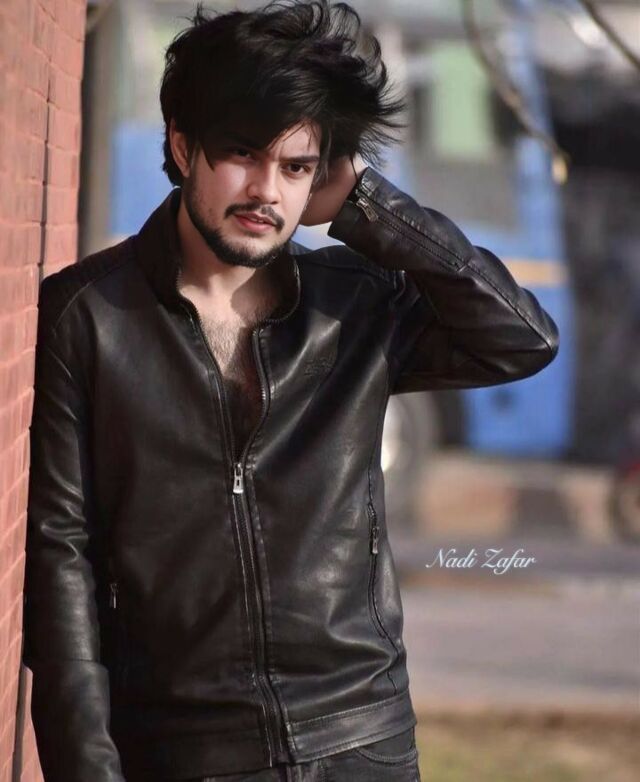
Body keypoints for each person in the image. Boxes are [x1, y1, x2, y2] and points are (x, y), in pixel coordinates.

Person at [22, 1, 559, 781]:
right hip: (186, 752)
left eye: (297, 167)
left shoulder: (356, 304)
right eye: (243, 154)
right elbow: (60, 556)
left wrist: (371, 205)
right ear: (183, 146)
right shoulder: (90, 317)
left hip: (361, 741)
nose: (267, 192)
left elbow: (524, 340)